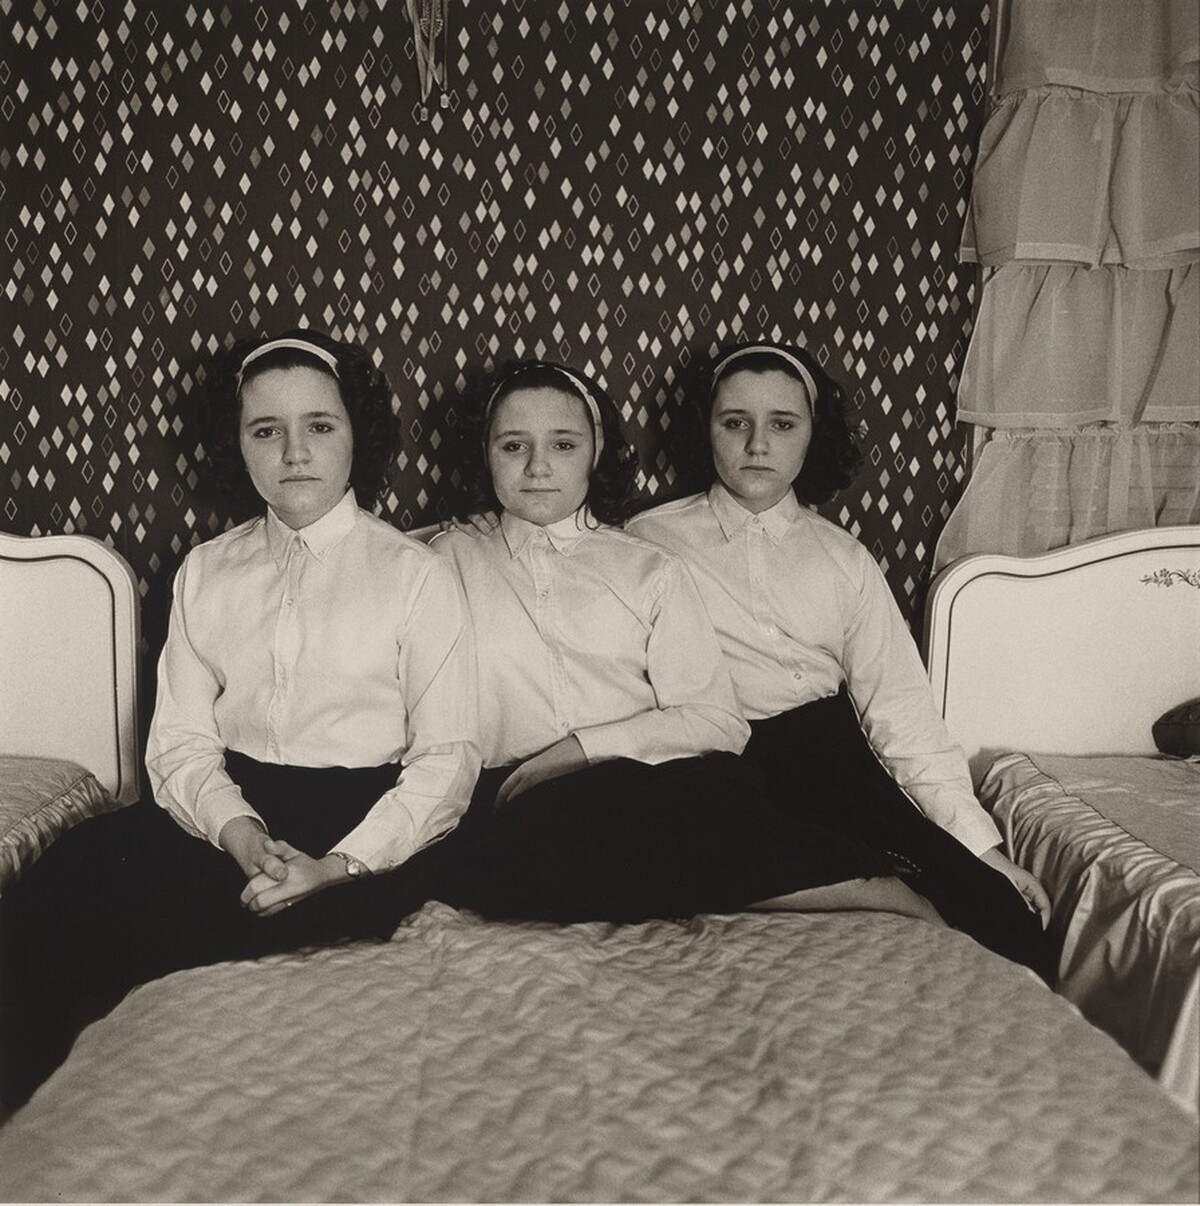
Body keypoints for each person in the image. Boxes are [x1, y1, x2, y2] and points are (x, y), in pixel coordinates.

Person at [0, 329, 479, 1109]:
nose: (295, 452)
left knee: (274, 938)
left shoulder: (415, 576)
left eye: (319, 426)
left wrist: (334, 866)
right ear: (240, 447)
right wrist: (240, 833)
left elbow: (449, 760)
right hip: (233, 818)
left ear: (358, 432)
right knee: (60, 887)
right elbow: (181, 743)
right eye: (267, 431)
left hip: (362, 824)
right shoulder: (207, 570)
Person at [432, 359, 936, 925]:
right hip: (516, 803)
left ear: (595, 451)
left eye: (564, 445)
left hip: (646, 788)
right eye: (514, 446)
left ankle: (865, 881)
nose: (539, 467)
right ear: (486, 452)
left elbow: (718, 719)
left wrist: (576, 750)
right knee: (503, 863)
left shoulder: (649, 565)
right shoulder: (442, 562)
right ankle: (828, 880)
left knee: (713, 793)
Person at [627, 340, 1055, 980]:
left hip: (825, 758)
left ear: (811, 435)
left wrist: (984, 851)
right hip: (711, 762)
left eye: (782, 424)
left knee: (1002, 921)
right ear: (705, 429)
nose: (757, 445)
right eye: (735, 422)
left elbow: (901, 712)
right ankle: (859, 888)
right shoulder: (648, 540)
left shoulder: (842, 558)